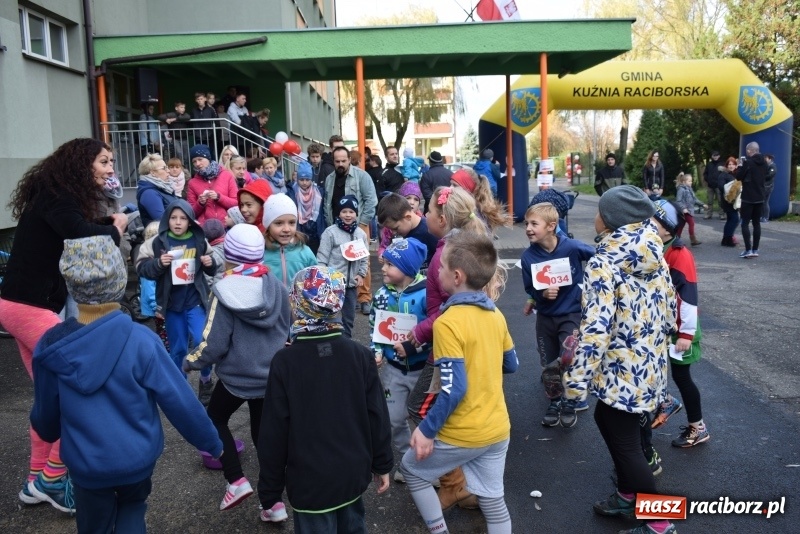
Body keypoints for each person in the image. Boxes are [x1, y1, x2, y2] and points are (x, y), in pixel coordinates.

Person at [30, 235, 223, 533]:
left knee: (93, 524)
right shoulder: (142, 341)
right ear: (120, 280)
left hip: (86, 464)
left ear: (70, 284)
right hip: (136, 459)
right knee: (133, 508)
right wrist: (210, 442)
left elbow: (46, 419)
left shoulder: (52, 345)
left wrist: (50, 430)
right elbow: (180, 401)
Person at [0, 138, 127, 513]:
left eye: (111, 161)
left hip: (18, 305)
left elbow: (76, 226)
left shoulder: (55, 195)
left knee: (49, 396)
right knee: (76, 394)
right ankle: (53, 479)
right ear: (81, 163)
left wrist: (106, 222)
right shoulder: (59, 196)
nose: (110, 168)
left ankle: (35, 481)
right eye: (103, 161)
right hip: (29, 308)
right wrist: (116, 229)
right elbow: (79, 236)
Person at [563, 185, 677, 534]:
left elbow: (595, 329)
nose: (595, 217)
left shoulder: (604, 262)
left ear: (612, 220)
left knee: (627, 445)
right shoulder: (653, 250)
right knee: (608, 420)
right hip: (648, 364)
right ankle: (628, 495)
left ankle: (660, 523)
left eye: (600, 211)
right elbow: (670, 307)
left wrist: (576, 380)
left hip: (621, 369)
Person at [256, 266, 393, 530]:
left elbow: (273, 430)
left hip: (309, 481)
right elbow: (377, 414)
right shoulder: (360, 355)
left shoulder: (285, 362)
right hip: (353, 473)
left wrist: (270, 489)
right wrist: (382, 463)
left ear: (297, 302)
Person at [399, 231, 518, 534]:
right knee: (492, 499)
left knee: (411, 469)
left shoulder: (448, 322)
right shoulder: (496, 315)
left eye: (440, 267)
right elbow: (511, 364)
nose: (435, 270)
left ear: (456, 276)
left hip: (463, 432)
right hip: (497, 429)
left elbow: (454, 389)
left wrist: (426, 430)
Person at [183, 224, 291, 516]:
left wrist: (190, 361)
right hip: (270, 378)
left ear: (228, 256)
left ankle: (236, 480)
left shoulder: (223, 291)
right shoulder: (276, 287)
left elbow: (213, 344)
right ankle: (273, 503)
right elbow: (287, 328)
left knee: (215, 418)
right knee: (262, 435)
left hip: (236, 380)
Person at [406, 186, 489, 512]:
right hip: (462, 341)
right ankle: (464, 482)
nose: (423, 215)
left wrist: (419, 331)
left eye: (427, 211)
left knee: (418, 407)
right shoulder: (465, 246)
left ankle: (454, 484)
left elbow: (450, 308)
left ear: (441, 219)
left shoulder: (448, 253)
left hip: (443, 346)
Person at [521, 202, 595, 428]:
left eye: (534, 224)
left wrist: (592, 284)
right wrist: (541, 294)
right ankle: (555, 402)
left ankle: (570, 402)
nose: (528, 228)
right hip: (545, 317)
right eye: (526, 224)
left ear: (551, 226)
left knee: (569, 357)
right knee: (548, 364)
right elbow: (530, 289)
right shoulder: (528, 257)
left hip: (570, 314)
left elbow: (598, 258)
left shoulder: (571, 247)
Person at [136, 199, 217, 401]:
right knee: (178, 348)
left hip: (195, 301)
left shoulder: (199, 240)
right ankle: (181, 386)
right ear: (167, 219)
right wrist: (158, 263)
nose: (178, 222)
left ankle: (206, 379)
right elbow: (141, 268)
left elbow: (212, 266)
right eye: (173, 218)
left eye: (183, 218)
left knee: (201, 341)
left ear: (190, 221)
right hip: (172, 305)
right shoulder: (157, 242)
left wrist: (209, 263)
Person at [650, 200, 711, 448]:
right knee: (653, 367)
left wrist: (685, 333)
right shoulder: (655, 245)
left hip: (681, 328)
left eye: (652, 220)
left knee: (682, 377)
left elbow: (688, 296)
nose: (646, 223)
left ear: (667, 228)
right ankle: (665, 401)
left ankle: (698, 427)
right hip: (664, 326)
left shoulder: (679, 254)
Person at [371, 238, 430, 483]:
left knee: (424, 419)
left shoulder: (427, 294)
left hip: (423, 370)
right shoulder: (381, 295)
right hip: (393, 370)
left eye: (389, 265)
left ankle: (429, 466)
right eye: (384, 263)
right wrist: (376, 350)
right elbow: (375, 326)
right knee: (393, 418)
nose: (383, 268)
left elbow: (437, 331)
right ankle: (409, 461)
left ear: (407, 268)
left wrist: (415, 349)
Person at [323, 146, 378, 315]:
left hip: (358, 226)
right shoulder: (330, 178)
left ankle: (365, 298)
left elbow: (371, 200)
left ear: (349, 160)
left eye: (343, 161)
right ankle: (345, 297)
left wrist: (361, 224)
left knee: (362, 261)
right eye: (337, 161)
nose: (340, 164)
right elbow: (327, 203)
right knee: (339, 260)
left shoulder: (362, 176)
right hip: (336, 227)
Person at [317, 195, 369, 338]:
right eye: (344, 211)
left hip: (351, 285)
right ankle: (329, 339)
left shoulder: (361, 234)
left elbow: (364, 258)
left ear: (356, 213)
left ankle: (346, 341)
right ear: (338, 213)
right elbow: (322, 257)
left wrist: (361, 274)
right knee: (329, 315)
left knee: (349, 317)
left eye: (351, 211)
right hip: (333, 283)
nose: (348, 215)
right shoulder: (330, 233)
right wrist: (323, 277)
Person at [262, 193, 317, 287]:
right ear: (268, 225)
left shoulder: (305, 253)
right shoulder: (260, 253)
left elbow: (315, 281)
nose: (287, 229)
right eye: (279, 223)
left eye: (291, 222)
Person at [377, 193, 439, 269]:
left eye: (396, 228)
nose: (393, 232)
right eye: (390, 229)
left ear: (408, 217)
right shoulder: (401, 231)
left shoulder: (430, 231)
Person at [186, 144, 239, 225]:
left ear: (208, 158)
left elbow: (236, 203)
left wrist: (219, 197)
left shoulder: (226, 175)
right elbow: (191, 213)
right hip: (204, 227)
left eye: (200, 159)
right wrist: (200, 203)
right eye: (194, 161)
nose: (197, 164)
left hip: (226, 225)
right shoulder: (192, 183)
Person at [140, 222, 170, 352]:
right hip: (159, 309)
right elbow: (149, 290)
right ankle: (165, 355)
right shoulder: (151, 265)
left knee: (165, 333)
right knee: (164, 336)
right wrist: (157, 308)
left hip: (161, 307)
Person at [450, 167, 510, 231]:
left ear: (468, 190)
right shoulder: (461, 209)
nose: (450, 188)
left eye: (455, 185)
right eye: (450, 184)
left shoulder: (474, 217)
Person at [737, 141, 768, 258]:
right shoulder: (764, 162)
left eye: (747, 150)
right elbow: (766, 176)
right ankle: (755, 249)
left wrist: (740, 166)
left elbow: (739, 177)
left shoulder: (748, 162)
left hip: (748, 197)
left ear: (750, 150)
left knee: (744, 223)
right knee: (756, 224)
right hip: (760, 196)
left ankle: (748, 249)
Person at [293, 161, 325, 255]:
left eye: (307, 180)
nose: (304, 183)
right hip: (300, 230)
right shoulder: (292, 192)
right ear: (297, 179)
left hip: (315, 230)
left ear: (311, 179)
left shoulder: (319, 192)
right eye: (301, 179)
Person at [136, 153, 178, 227]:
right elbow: (162, 220)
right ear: (152, 172)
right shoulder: (149, 193)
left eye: (167, 167)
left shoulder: (162, 188)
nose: (168, 171)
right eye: (164, 168)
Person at [674, 172, 707, 246]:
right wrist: (683, 208)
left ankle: (676, 240)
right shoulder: (681, 190)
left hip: (689, 210)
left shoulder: (690, 189)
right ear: (684, 182)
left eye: (691, 181)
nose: (691, 182)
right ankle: (693, 240)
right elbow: (678, 201)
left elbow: (694, 199)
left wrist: (702, 204)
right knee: (691, 224)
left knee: (681, 225)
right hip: (684, 211)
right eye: (689, 181)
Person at [158, 100, 191, 168]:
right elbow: (160, 116)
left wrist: (174, 119)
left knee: (186, 156)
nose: (183, 109)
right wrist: (166, 119)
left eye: (184, 107)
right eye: (181, 107)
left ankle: (187, 171)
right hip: (175, 139)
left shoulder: (185, 114)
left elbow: (188, 117)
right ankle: (181, 170)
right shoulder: (172, 114)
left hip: (184, 138)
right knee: (179, 154)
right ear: (176, 108)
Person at [718, 157, 741, 247]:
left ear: (736, 165)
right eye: (729, 164)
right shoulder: (723, 175)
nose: (731, 166)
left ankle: (726, 239)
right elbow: (721, 187)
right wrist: (730, 191)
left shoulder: (735, 174)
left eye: (733, 164)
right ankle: (728, 239)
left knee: (730, 220)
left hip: (734, 201)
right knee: (735, 219)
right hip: (727, 201)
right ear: (726, 166)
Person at [702, 150, 723, 219]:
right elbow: (705, 173)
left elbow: (724, 174)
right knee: (710, 201)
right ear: (712, 156)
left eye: (717, 155)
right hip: (710, 186)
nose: (715, 157)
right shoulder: (709, 164)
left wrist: (721, 181)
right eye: (714, 155)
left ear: (719, 156)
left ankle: (721, 214)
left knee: (720, 201)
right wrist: (707, 179)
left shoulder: (722, 164)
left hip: (718, 185)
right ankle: (709, 214)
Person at [762, 153, 776, 222]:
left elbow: (770, 175)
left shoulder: (772, 166)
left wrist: (762, 176)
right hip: (765, 186)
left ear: (770, 159)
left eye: (766, 158)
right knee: (763, 202)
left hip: (768, 186)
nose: (765, 159)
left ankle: (766, 217)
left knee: (765, 202)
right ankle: (763, 216)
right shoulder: (767, 166)